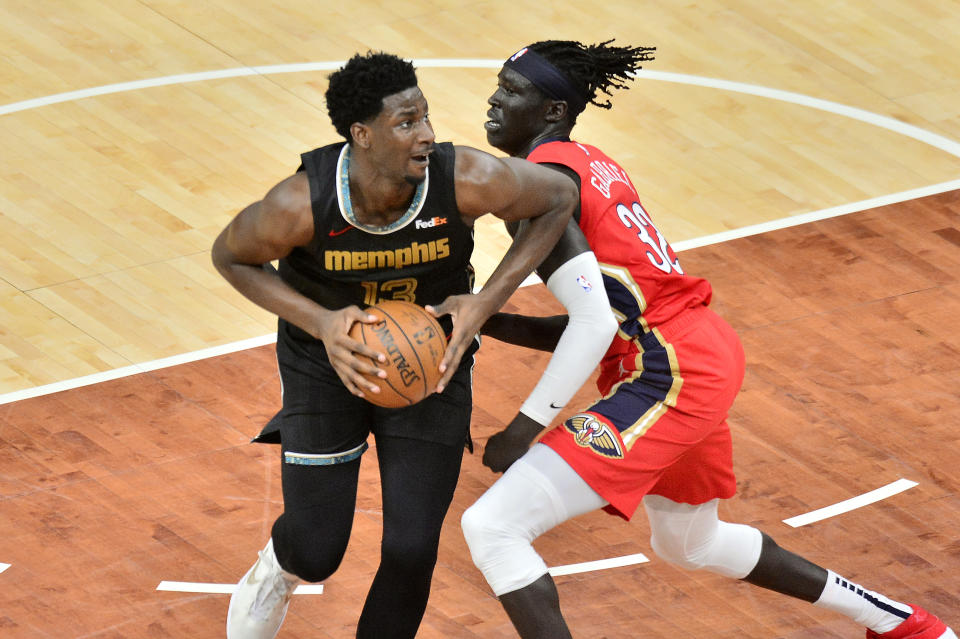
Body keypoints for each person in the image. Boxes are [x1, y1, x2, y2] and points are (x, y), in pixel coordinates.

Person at [460, 40, 956, 639]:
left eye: (513, 91)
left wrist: (524, 426)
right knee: (690, 544)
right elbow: (615, 314)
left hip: (669, 373)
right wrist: (490, 321)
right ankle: (905, 625)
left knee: (493, 528)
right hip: (689, 349)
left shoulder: (543, 187)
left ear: (551, 113)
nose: (494, 99)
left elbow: (595, 325)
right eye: (500, 84)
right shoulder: (590, 160)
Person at [211, 51, 581, 639]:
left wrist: (486, 301)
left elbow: (558, 197)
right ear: (361, 134)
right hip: (327, 364)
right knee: (316, 550)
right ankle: (276, 570)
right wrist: (323, 324)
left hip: (429, 361)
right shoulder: (300, 203)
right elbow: (230, 256)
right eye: (407, 122)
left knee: (411, 549)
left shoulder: (466, 179)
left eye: (426, 117)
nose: (428, 135)